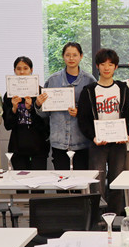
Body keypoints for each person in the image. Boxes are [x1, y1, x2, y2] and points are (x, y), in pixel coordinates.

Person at [77, 48, 129, 213]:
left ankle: (115, 215)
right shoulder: (89, 90)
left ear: (116, 67)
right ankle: (98, 217)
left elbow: (128, 114)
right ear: (97, 66)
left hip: (118, 143)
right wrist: (93, 137)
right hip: (98, 143)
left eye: (110, 64)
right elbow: (83, 119)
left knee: (117, 180)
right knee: (97, 182)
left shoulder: (123, 88)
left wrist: (126, 133)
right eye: (103, 64)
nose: (107, 68)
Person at [35, 42, 96, 170]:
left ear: (81, 56)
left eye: (75, 55)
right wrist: (38, 104)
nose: (71, 58)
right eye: (68, 55)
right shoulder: (52, 80)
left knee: (81, 179)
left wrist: (80, 112)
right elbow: (44, 114)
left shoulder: (90, 80)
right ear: (63, 56)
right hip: (59, 141)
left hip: (82, 141)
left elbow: (95, 113)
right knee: (61, 178)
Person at [3, 56, 50, 170]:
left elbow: (45, 125)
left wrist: (32, 109)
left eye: (25, 68)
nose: (22, 72)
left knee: (38, 180)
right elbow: (8, 125)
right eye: (18, 69)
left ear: (31, 70)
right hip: (18, 147)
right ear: (14, 71)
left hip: (38, 146)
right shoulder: (9, 95)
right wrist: (14, 109)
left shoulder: (41, 93)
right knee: (21, 180)